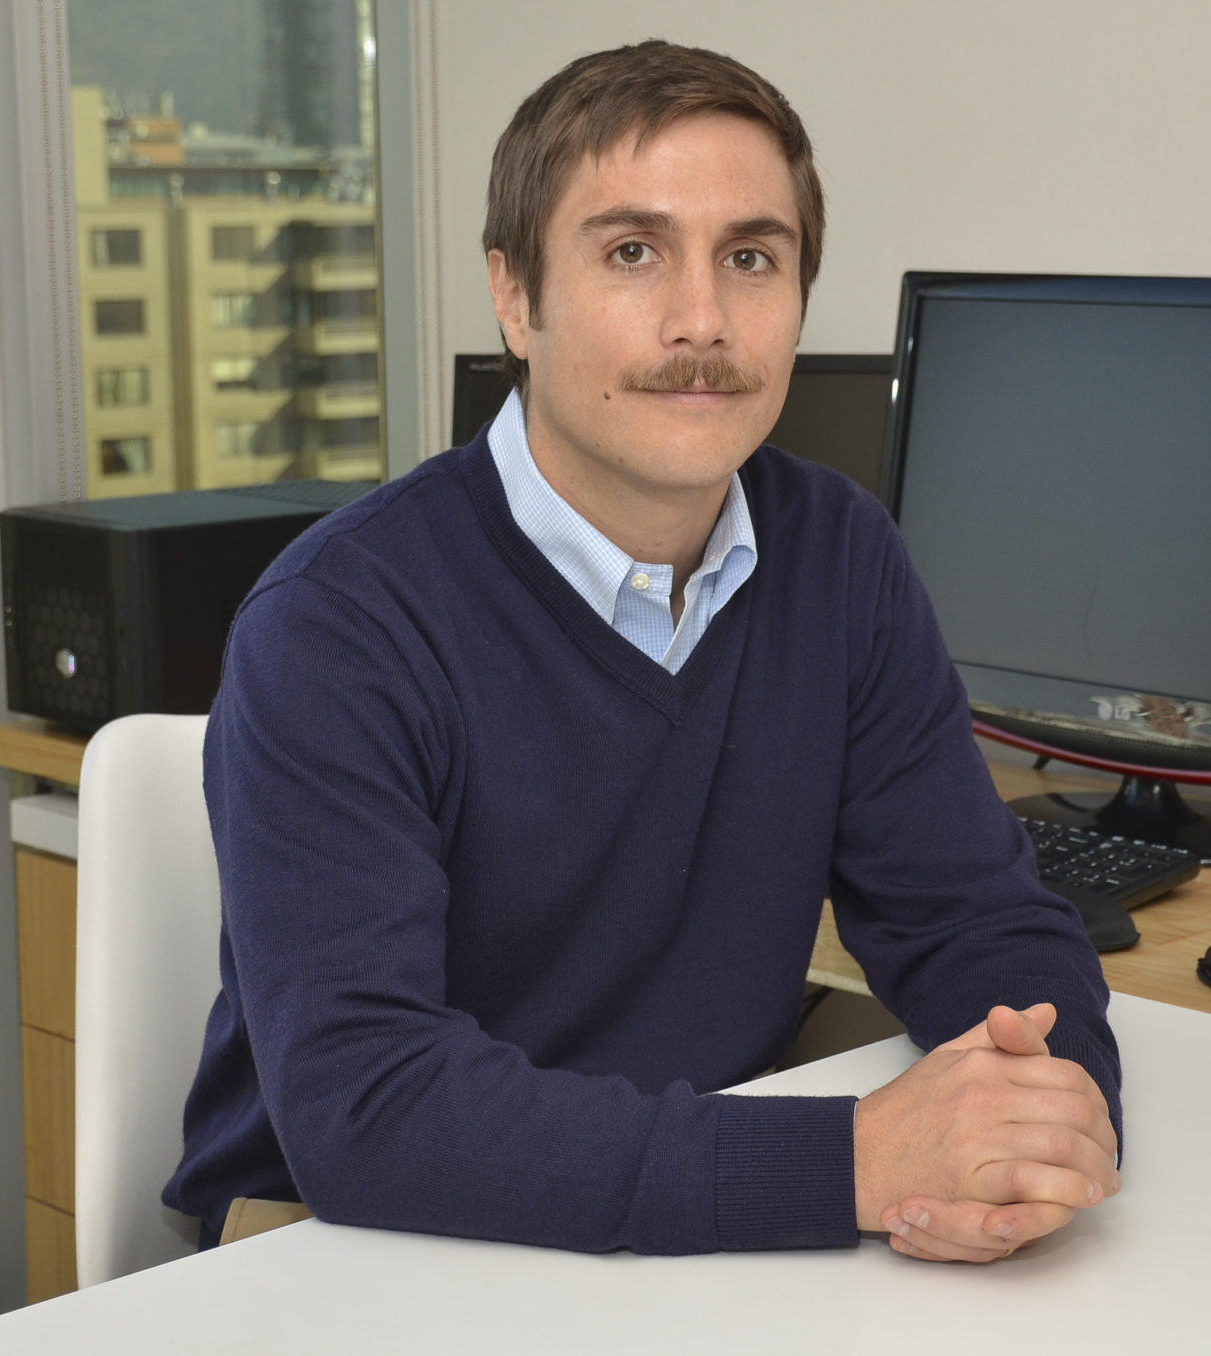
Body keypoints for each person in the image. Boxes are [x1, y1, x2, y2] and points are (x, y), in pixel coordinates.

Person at [164, 39, 1122, 1266]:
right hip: (336, 1246)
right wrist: (851, 1165)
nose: (701, 320)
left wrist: (1040, 1120)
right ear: (514, 297)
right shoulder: (337, 623)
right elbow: (369, 1108)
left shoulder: (837, 555)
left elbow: (976, 920)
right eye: (632, 252)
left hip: (674, 1215)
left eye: (750, 257)